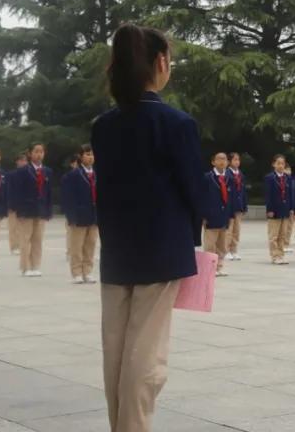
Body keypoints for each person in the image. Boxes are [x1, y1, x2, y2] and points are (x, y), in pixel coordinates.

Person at [90, 23, 207, 432]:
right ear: (160, 63)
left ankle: (120, 425)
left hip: (119, 248)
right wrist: (195, 237)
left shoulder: (104, 125)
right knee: (146, 354)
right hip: (161, 249)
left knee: (117, 349)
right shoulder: (176, 124)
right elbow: (196, 191)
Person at [9, 142, 53, 277]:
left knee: (37, 239)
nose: (39, 154)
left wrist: (48, 211)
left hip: (41, 209)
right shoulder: (22, 171)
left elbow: (49, 192)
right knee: (25, 239)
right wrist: (19, 210)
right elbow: (17, 192)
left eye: (41, 152)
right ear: (30, 154)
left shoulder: (47, 171)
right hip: (26, 209)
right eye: (36, 152)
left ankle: (35, 265)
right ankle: (25, 266)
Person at [65, 144, 100, 283]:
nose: (90, 157)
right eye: (87, 154)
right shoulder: (73, 175)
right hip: (79, 215)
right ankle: (77, 272)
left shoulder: (98, 173)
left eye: (92, 154)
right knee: (77, 245)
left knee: (90, 244)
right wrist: (71, 216)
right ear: (80, 157)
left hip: (94, 215)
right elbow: (68, 198)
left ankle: (88, 271)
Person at [202, 152, 232, 276]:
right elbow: (202, 197)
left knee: (222, 245)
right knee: (210, 244)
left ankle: (219, 267)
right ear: (213, 162)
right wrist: (203, 215)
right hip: (211, 215)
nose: (222, 161)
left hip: (224, 215)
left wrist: (231, 215)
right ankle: (210, 269)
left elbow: (232, 197)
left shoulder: (229, 178)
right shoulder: (207, 177)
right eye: (219, 159)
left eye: (224, 159)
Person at [264, 154, 291, 265]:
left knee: (283, 234)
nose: (280, 165)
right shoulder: (269, 178)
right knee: (274, 235)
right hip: (274, 209)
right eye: (278, 163)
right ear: (273, 164)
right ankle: (274, 255)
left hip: (285, 209)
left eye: (282, 163)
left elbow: (290, 194)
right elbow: (268, 195)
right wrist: (269, 209)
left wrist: (291, 208)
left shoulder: (287, 177)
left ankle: (281, 254)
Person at [225, 152, 247, 261]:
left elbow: (243, 192)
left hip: (239, 206)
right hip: (230, 206)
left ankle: (234, 250)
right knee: (229, 229)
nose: (237, 162)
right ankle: (226, 250)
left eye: (238, 159)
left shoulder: (241, 175)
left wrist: (244, 206)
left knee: (237, 230)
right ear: (229, 162)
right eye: (235, 160)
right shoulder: (227, 174)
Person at [8, 152, 28, 255]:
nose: (24, 162)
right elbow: (9, 190)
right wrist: (10, 204)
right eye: (21, 160)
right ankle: (14, 247)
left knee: (24, 227)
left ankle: (23, 245)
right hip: (14, 204)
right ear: (17, 162)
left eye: (25, 160)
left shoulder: (30, 173)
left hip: (26, 204)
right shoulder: (11, 174)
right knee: (14, 227)